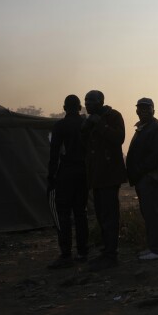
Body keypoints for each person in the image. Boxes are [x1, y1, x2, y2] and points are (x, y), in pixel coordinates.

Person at [81, 90, 127, 271]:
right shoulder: (89, 120)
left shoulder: (113, 116)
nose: (87, 103)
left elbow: (118, 139)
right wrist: (86, 127)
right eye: (86, 100)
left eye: (91, 100)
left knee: (110, 215)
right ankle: (106, 250)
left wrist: (100, 124)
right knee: (101, 215)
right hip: (96, 175)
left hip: (109, 175)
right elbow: (84, 144)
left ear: (101, 102)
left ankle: (111, 254)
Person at [47, 95, 89, 269]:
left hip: (66, 173)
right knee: (81, 213)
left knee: (63, 214)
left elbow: (54, 154)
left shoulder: (60, 126)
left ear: (64, 108)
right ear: (80, 108)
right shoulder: (86, 124)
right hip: (84, 173)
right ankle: (82, 252)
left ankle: (66, 254)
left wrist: (51, 178)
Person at [126, 97, 158, 261]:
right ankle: (153, 246)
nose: (142, 111)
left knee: (153, 213)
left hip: (150, 178)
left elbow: (156, 156)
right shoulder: (144, 128)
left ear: (153, 110)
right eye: (140, 108)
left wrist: (139, 170)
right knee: (148, 214)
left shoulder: (156, 128)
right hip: (143, 178)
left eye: (146, 108)